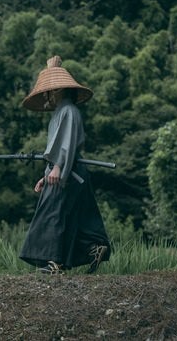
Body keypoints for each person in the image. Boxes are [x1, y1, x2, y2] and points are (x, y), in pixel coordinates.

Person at [19, 55, 111, 274]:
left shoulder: (68, 111)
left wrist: (58, 167)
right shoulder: (63, 112)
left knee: (53, 215)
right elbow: (61, 146)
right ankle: (93, 249)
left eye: (48, 92)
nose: (46, 97)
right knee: (72, 218)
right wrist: (48, 171)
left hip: (67, 172)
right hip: (67, 171)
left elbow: (66, 145)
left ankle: (54, 263)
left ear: (57, 91)